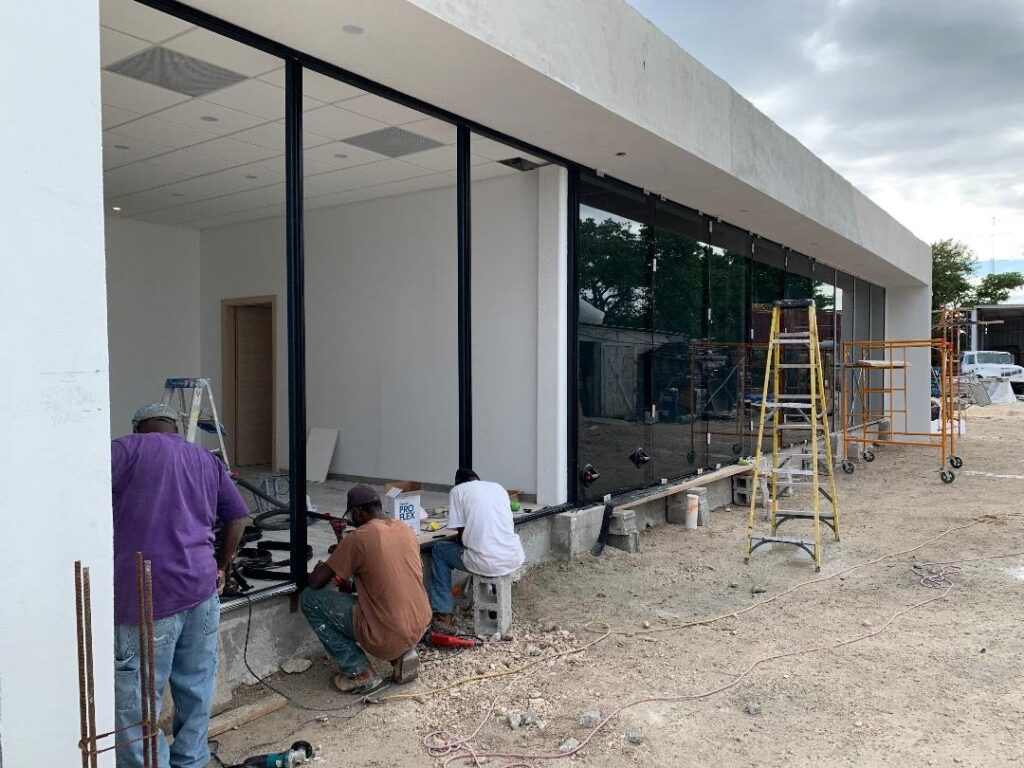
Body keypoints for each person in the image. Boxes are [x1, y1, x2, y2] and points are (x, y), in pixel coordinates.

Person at [112, 403, 249, 768]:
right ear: (174, 427)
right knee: (196, 686)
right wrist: (222, 564)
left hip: (147, 597)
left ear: (139, 427)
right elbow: (238, 517)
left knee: (138, 700)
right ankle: (190, 760)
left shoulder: (124, 449)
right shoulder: (205, 459)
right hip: (202, 591)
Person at [301, 484, 431, 694]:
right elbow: (385, 580)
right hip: (420, 623)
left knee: (309, 599)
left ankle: (359, 672)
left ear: (357, 511)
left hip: (389, 631)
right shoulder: (405, 529)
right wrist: (350, 583)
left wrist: (323, 567)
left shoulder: (359, 538)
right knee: (384, 603)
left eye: (352, 516)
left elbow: (315, 582)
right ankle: (401, 653)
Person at [429, 468, 525, 630]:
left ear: (458, 483)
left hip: (486, 562)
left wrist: (469, 536)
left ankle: (443, 613)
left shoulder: (458, 491)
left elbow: (461, 538)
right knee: (487, 547)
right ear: (478, 479)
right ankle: (492, 597)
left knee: (440, 550)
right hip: (513, 556)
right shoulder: (498, 488)